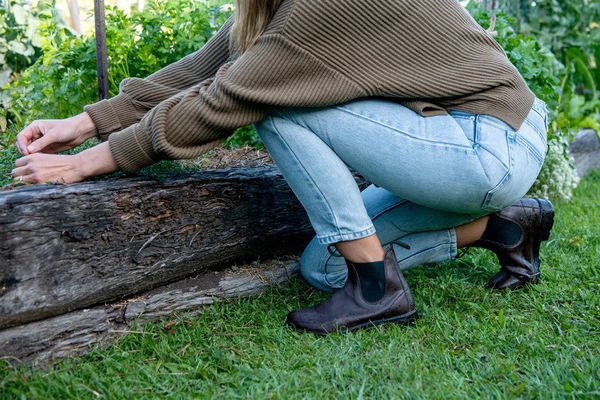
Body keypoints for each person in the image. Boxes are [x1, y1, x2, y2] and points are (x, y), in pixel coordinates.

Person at [11, 0, 554, 334]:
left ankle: (377, 292)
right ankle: (506, 226)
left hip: (485, 145)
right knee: (325, 267)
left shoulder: (317, 9)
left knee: (276, 106)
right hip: (480, 143)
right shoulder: (283, 10)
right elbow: (204, 68)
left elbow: (224, 100)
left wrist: (88, 163)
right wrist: (86, 122)